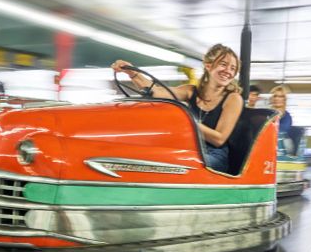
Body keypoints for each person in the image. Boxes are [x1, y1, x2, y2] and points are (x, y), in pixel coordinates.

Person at [111, 44, 243, 173]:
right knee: (147, 156)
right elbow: (157, 91)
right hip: (190, 147)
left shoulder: (233, 98)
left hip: (213, 155)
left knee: (170, 164)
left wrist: (185, 120)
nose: (228, 71)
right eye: (223, 64)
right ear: (208, 65)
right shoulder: (191, 91)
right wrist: (133, 73)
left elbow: (219, 139)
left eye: (233, 68)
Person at [269, 85, 295, 155]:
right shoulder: (267, 113)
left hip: (282, 144)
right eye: (275, 96)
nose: (277, 98)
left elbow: (282, 131)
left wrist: (276, 119)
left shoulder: (287, 116)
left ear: (284, 99)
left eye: (280, 96)